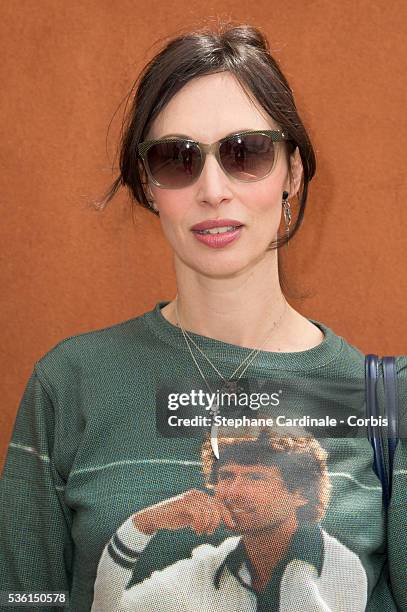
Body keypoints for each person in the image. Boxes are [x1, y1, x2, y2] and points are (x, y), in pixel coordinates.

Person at [0, 20, 406, 612]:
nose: (213, 189)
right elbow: (25, 598)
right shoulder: (70, 385)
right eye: (176, 158)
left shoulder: (383, 404)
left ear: (292, 171)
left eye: (247, 152)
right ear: (149, 183)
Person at [91, 429, 368, 611]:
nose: (233, 492)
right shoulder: (208, 567)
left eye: (255, 478)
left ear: (300, 494)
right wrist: (142, 525)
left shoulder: (341, 566)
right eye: (226, 476)